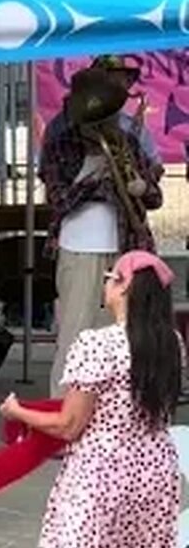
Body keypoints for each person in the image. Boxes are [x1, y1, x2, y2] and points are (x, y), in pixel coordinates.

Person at [0, 250, 181, 548]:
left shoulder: (96, 345)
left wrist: (18, 412)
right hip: (156, 477)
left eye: (111, 276)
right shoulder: (171, 343)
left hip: (100, 477)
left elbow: (70, 424)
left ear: (124, 288)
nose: (105, 283)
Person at [40, 60, 163, 398]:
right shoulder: (60, 144)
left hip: (126, 246)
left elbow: (155, 198)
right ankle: (61, 415)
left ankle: (116, 415)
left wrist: (141, 186)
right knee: (75, 334)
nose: (105, 125)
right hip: (78, 248)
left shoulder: (128, 141)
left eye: (109, 115)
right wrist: (93, 176)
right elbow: (59, 201)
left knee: (123, 335)